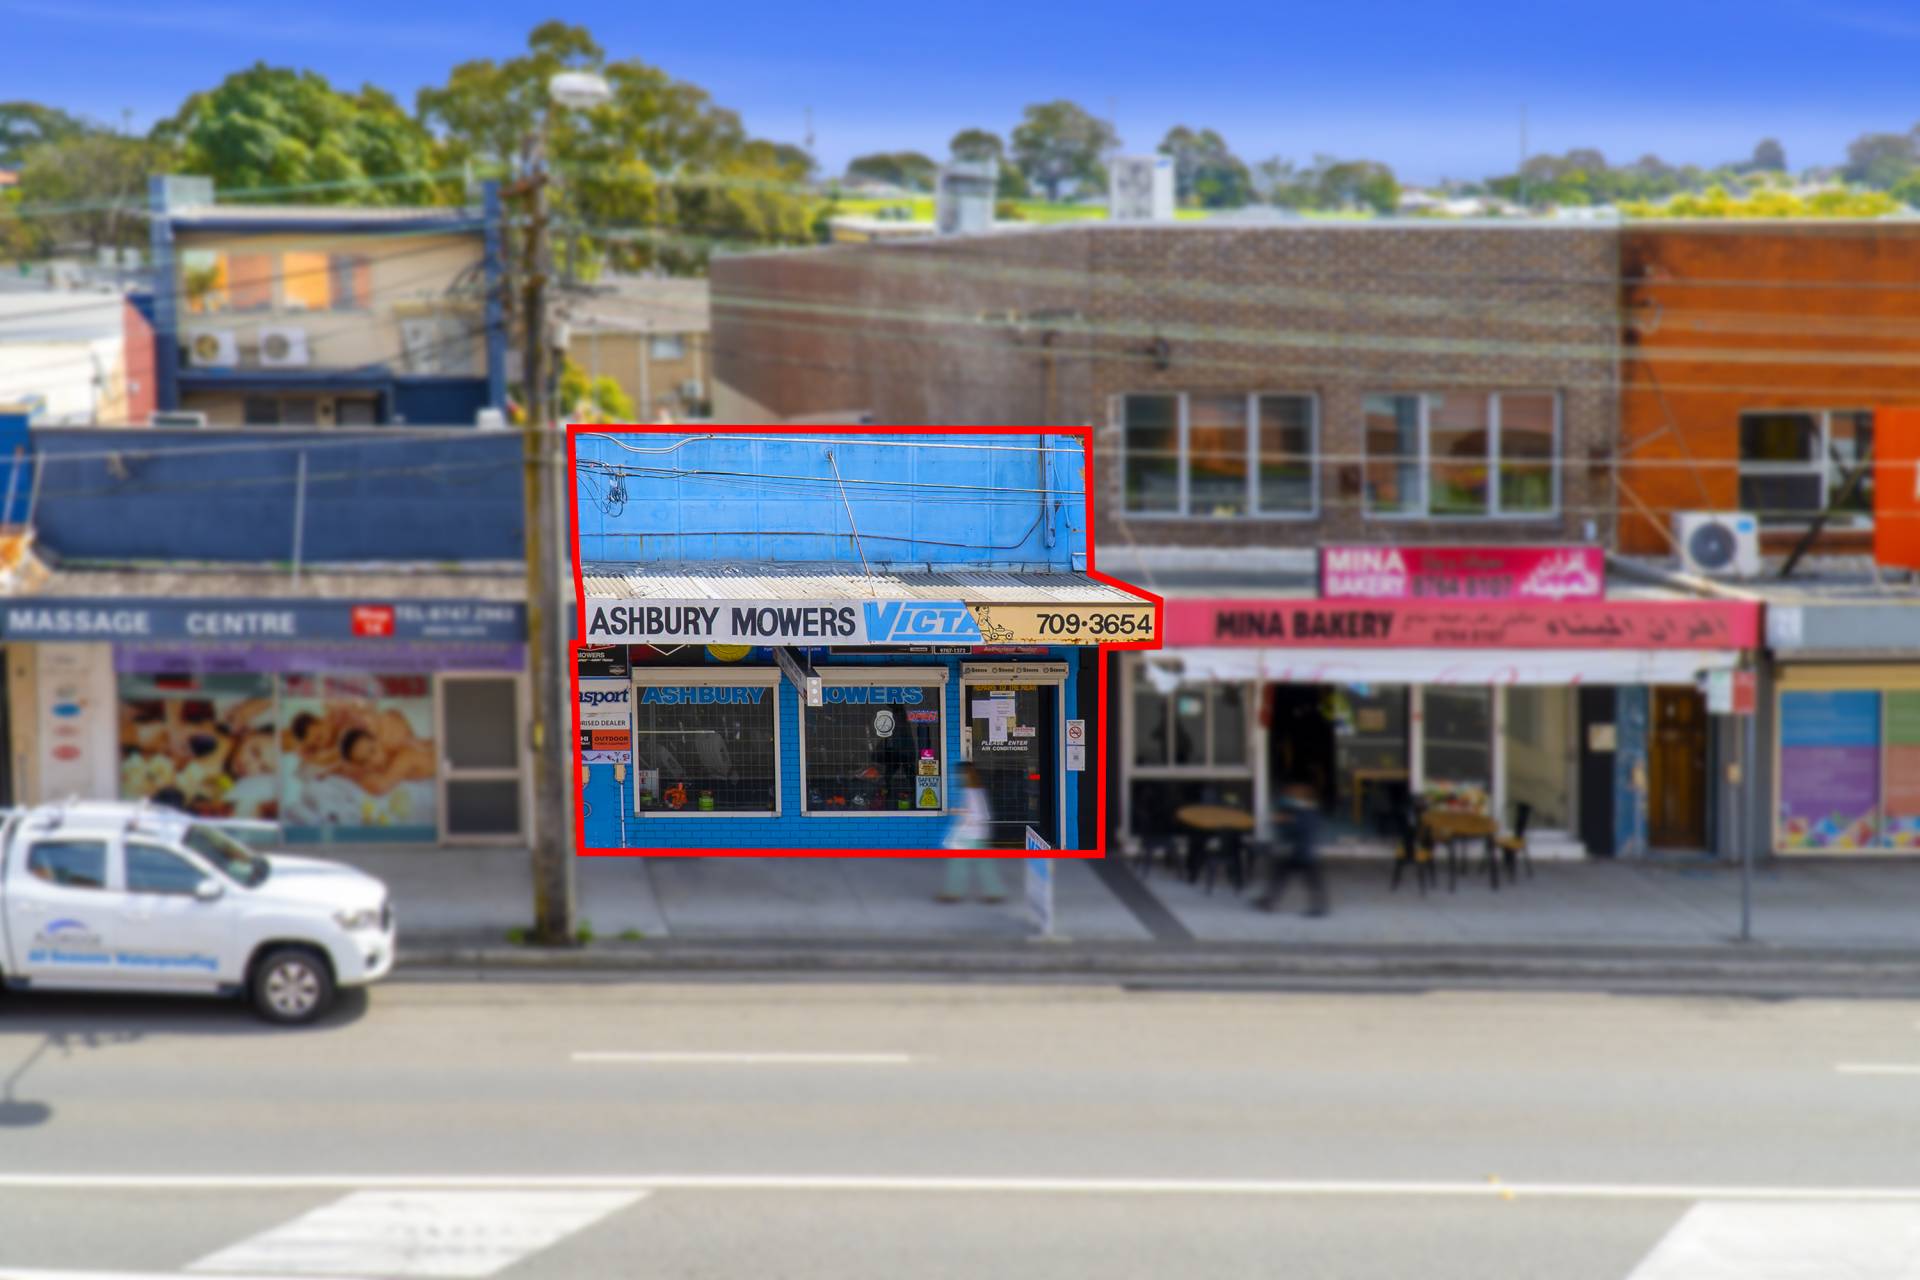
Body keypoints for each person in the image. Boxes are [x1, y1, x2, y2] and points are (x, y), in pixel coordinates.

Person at [937, 761, 1007, 904]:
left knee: (959, 864)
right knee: (983, 865)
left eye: (961, 773)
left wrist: (963, 814)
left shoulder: (970, 792)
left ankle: (953, 893)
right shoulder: (975, 791)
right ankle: (994, 892)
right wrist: (962, 812)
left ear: (967, 774)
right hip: (977, 834)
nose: (958, 776)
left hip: (969, 835)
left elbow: (980, 815)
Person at [1258, 781, 1329, 917]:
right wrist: (1285, 821)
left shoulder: (1305, 812)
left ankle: (1319, 907)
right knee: (1284, 875)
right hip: (1302, 852)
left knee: (1309, 880)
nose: (1289, 796)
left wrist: (1284, 822)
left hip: (1303, 852)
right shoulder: (1305, 810)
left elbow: (1296, 829)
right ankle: (1268, 901)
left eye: (1293, 794)